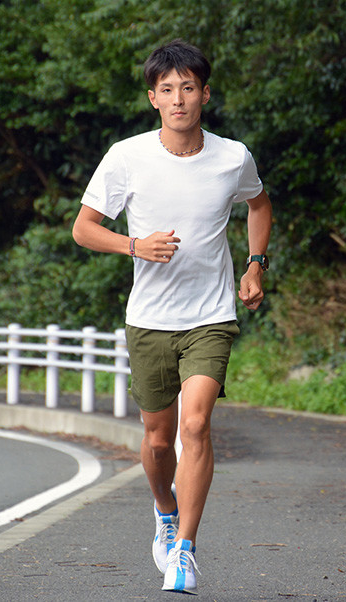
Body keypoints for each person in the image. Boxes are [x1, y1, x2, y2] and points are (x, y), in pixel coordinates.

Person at [72, 38, 272, 594]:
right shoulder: (126, 157)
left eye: (188, 87)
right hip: (150, 320)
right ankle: (164, 509)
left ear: (205, 94)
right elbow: (83, 228)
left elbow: (258, 204)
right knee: (159, 441)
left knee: (196, 424)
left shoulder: (233, 157)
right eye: (167, 89)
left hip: (211, 315)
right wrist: (135, 245)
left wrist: (255, 265)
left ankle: (184, 549)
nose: (178, 99)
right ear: (153, 99)